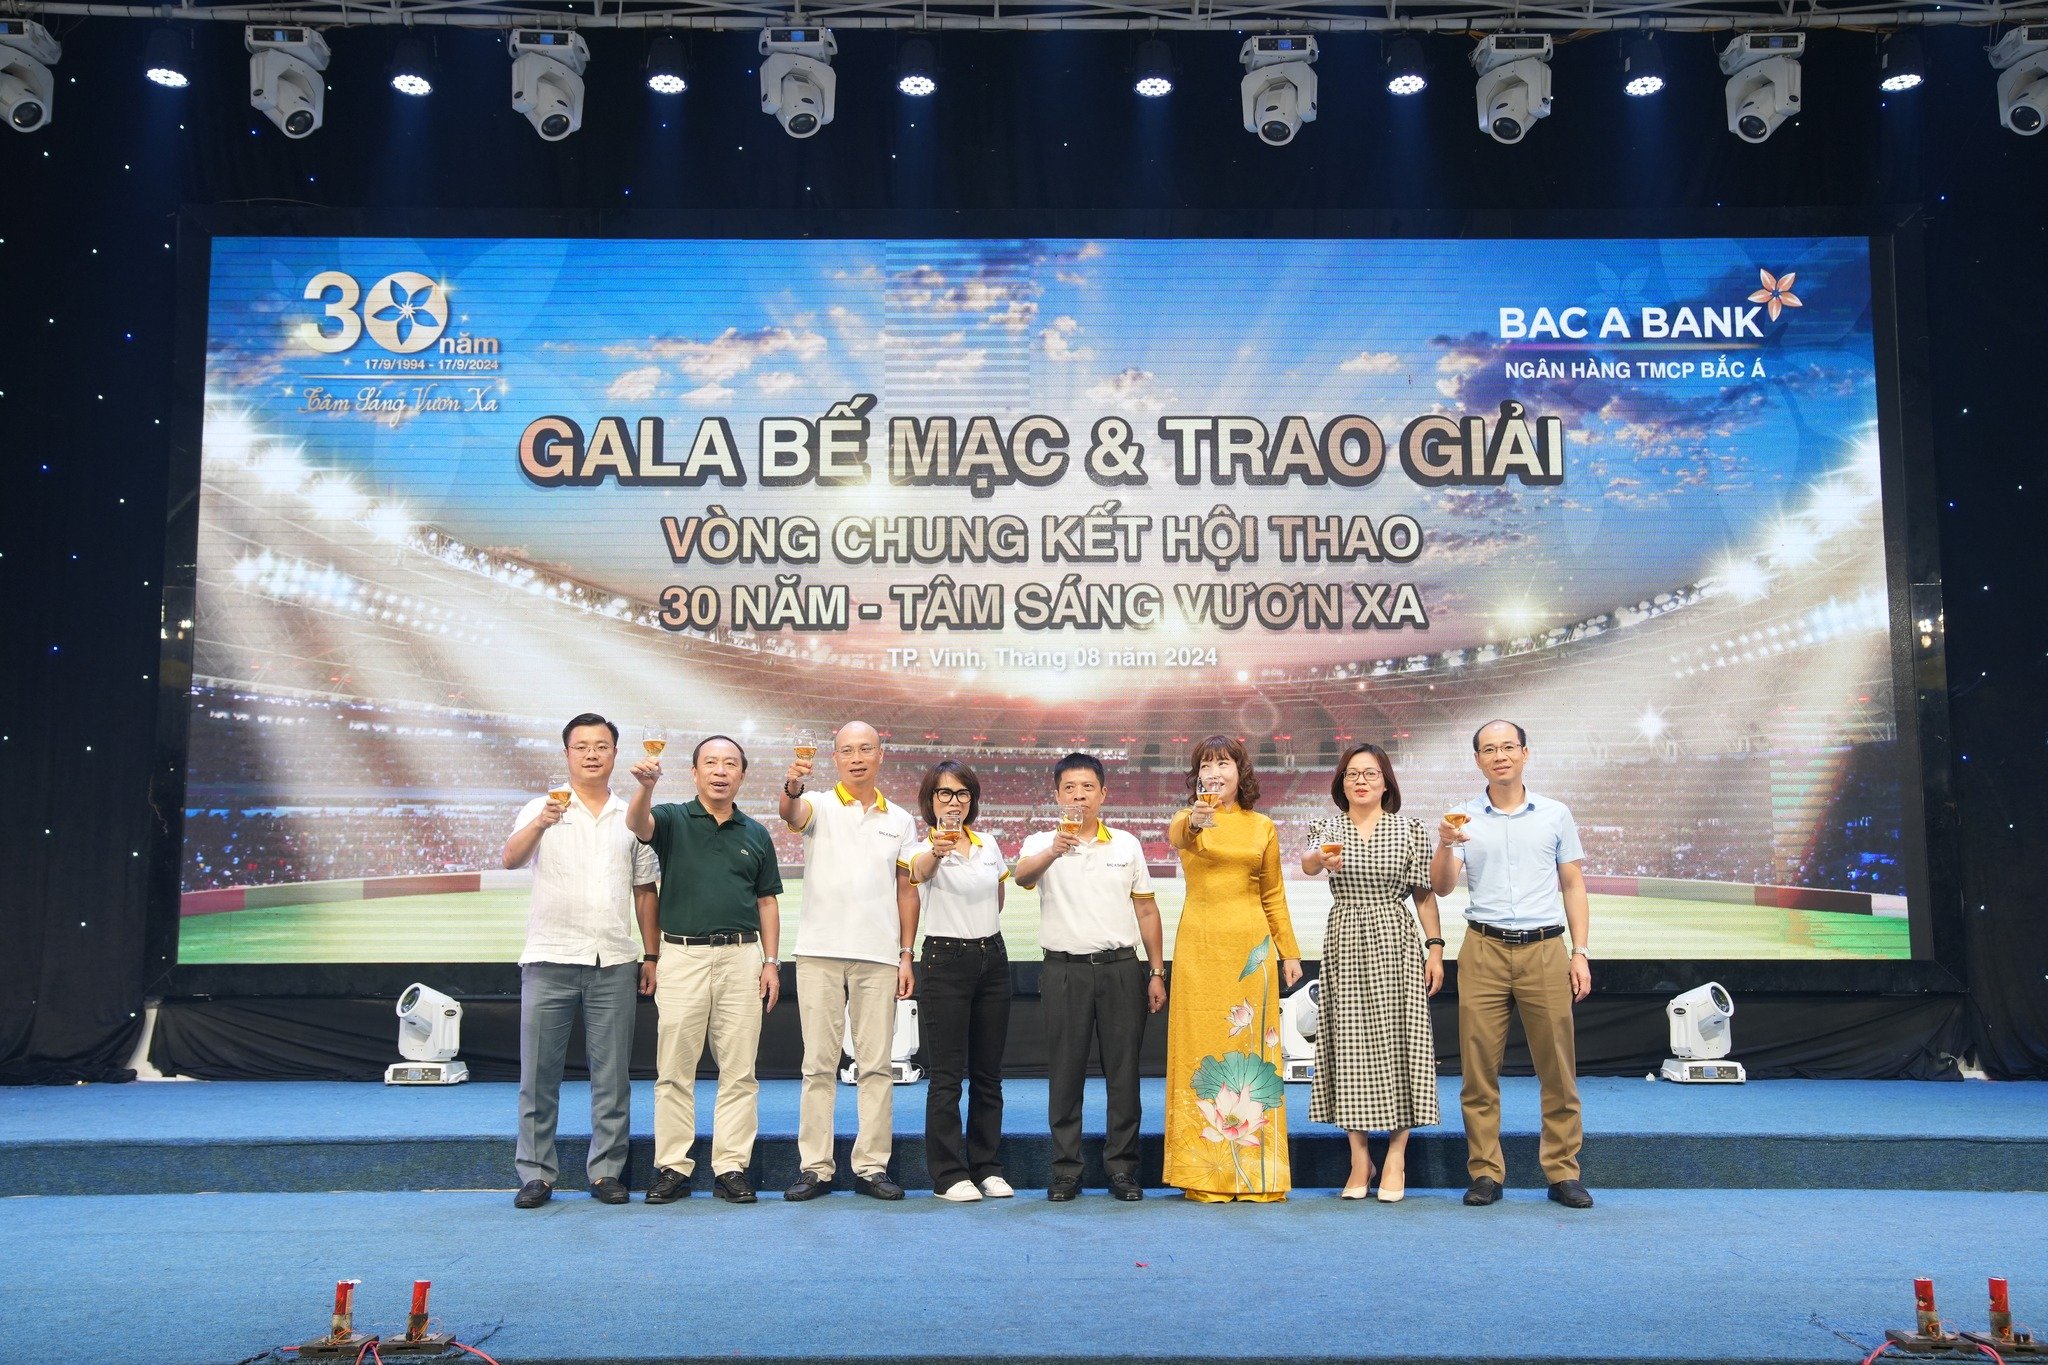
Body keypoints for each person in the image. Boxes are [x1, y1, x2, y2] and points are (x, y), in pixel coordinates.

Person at [1430, 719, 1595, 1210]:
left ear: (1525, 753)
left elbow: (1573, 885)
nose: (1499, 755)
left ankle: (1563, 1172)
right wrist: (1444, 841)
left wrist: (1580, 952)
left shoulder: (1555, 814)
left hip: (1546, 949)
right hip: (1483, 947)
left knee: (1558, 1068)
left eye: (1508, 747)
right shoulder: (1461, 817)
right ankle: (1485, 1172)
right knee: (1478, 1070)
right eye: (1488, 749)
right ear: (1478, 759)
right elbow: (1441, 887)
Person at [501, 713, 660, 1209]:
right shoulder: (541, 807)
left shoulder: (630, 816)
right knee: (538, 1076)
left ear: (615, 754)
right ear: (567, 753)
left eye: (602, 746)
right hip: (549, 957)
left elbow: (644, 891)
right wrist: (541, 822)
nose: (592, 754)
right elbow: (509, 858)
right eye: (582, 746)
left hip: (613, 960)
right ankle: (536, 1173)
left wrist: (650, 954)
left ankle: (606, 1172)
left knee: (611, 1078)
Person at [626, 735, 784, 1206]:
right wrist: (646, 788)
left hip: (742, 957)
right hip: (682, 955)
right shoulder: (673, 818)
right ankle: (672, 1166)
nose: (720, 771)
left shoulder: (755, 833)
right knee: (674, 1070)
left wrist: (771, 962)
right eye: (710, 763)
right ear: (694, 772)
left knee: (739, 1071)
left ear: (741, 774)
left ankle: (731, 1166)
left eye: (730, 764)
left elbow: (767, 900)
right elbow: (638, 823)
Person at [1013, 752, 1166, 1202]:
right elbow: (1021, 878)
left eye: (1087, 788)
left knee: (1124, 1074)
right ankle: (1065, 1170)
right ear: (1057, 794)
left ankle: (1122, 1169)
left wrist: (1156, 972)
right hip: (1064, 970)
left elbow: (1146, 909)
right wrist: (1051, 851)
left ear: (1103, 793)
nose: (1078, 796)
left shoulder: (1126, 844)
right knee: (1065, 1073)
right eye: (1069, 788)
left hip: (1121, 969)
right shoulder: (1040, 841)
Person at [778, 721, 920, 1201]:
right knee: (817, 1065)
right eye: (846, 750)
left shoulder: (900, 819)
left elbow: (907, 890)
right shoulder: (816, 803)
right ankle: (815, 1167)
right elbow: (790, 814)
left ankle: (870, 1166)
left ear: (881, 755)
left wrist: (906, 953)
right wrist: (793, 784)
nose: (857, 757)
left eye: (866, 749)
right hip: (818, 952)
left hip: (878, 956)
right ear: (835, 758)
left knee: (876, 1066)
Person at [1301, 742, 1445, 1202]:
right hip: (1345, 936)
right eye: (1351, 774)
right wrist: (1319, 861)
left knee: (1402, 1040)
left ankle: (1397, 1153)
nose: (1360, 781)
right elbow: (1307, 864)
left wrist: (1436, 949)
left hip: (1396, 937)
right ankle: (1359, 1157)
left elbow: (1425, 894)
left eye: (1370, 773)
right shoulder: (1327, 827)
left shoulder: (1409, 830)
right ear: (1341, 783)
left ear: (1386, 781)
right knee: (1349, 1041)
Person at [1161, 735, 1302, 1202]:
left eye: (1224, 763)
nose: (1215, 771)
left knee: (1253, 1052)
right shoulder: (1187, 819)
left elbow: (1274, 895)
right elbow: (1182, 835)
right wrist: (1199, 817)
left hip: (1251, 952)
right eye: (1207, 764)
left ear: (1240, 772)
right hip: (1200, 950)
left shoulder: (1262, 826)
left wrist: (1290, 952)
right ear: (1197, 775)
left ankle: (1257, 1173)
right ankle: (1206, 1174)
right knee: (1202, 1049)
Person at [902, 760, 1014, 1203]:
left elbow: (998, 895)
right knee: (948, 1075)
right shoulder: (919, 847)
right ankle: (949, 1174)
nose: (954, 802)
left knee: (989, 1074)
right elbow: (921, 873)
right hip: (945, 960)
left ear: (973, 799)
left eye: (962, 794)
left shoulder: (988, 843)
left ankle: (987, 1167)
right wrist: (940, 849)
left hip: (993, 957)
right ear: (930, 801)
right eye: (945, 794)